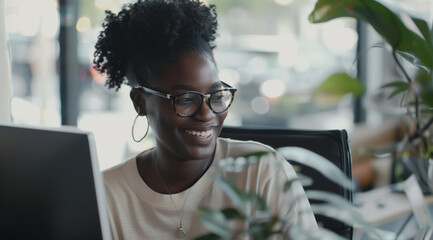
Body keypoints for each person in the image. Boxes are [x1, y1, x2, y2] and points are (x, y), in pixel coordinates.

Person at [93, 0, 318, 239]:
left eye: (216, 94)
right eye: (185, 98)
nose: (207, 113)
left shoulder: (261, 172)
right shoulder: (105, 195)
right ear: (140, 102)